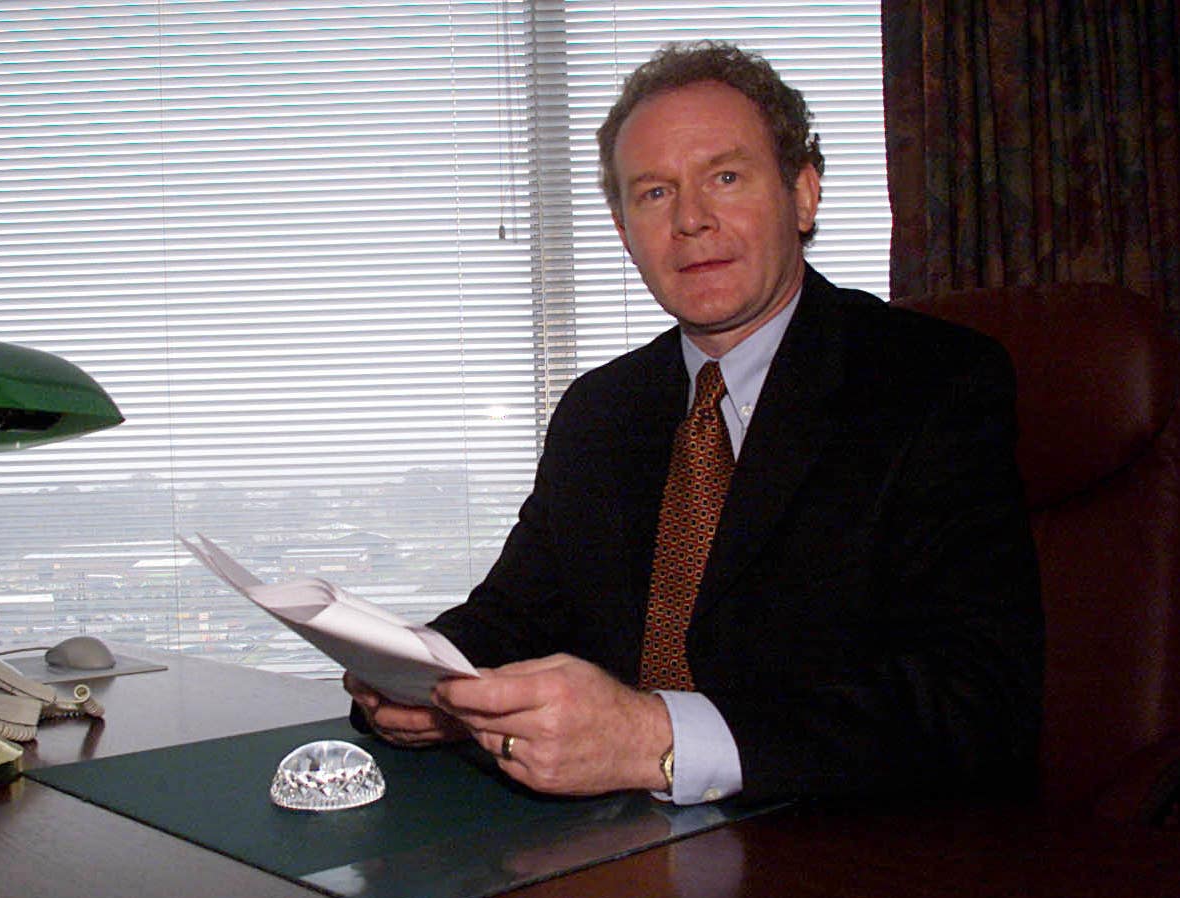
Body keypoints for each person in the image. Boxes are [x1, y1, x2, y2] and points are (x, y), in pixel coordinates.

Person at [345, 40, 1043, 805]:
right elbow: (517, 612)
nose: (690, 221)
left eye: (726, 177)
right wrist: (419, 677)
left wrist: (659, 741)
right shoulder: (599, 412)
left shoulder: (932, 383)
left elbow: (979, 701)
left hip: (851, 852)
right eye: (653, 194)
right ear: (624, 231)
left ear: (803, 194)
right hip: (608, 854)